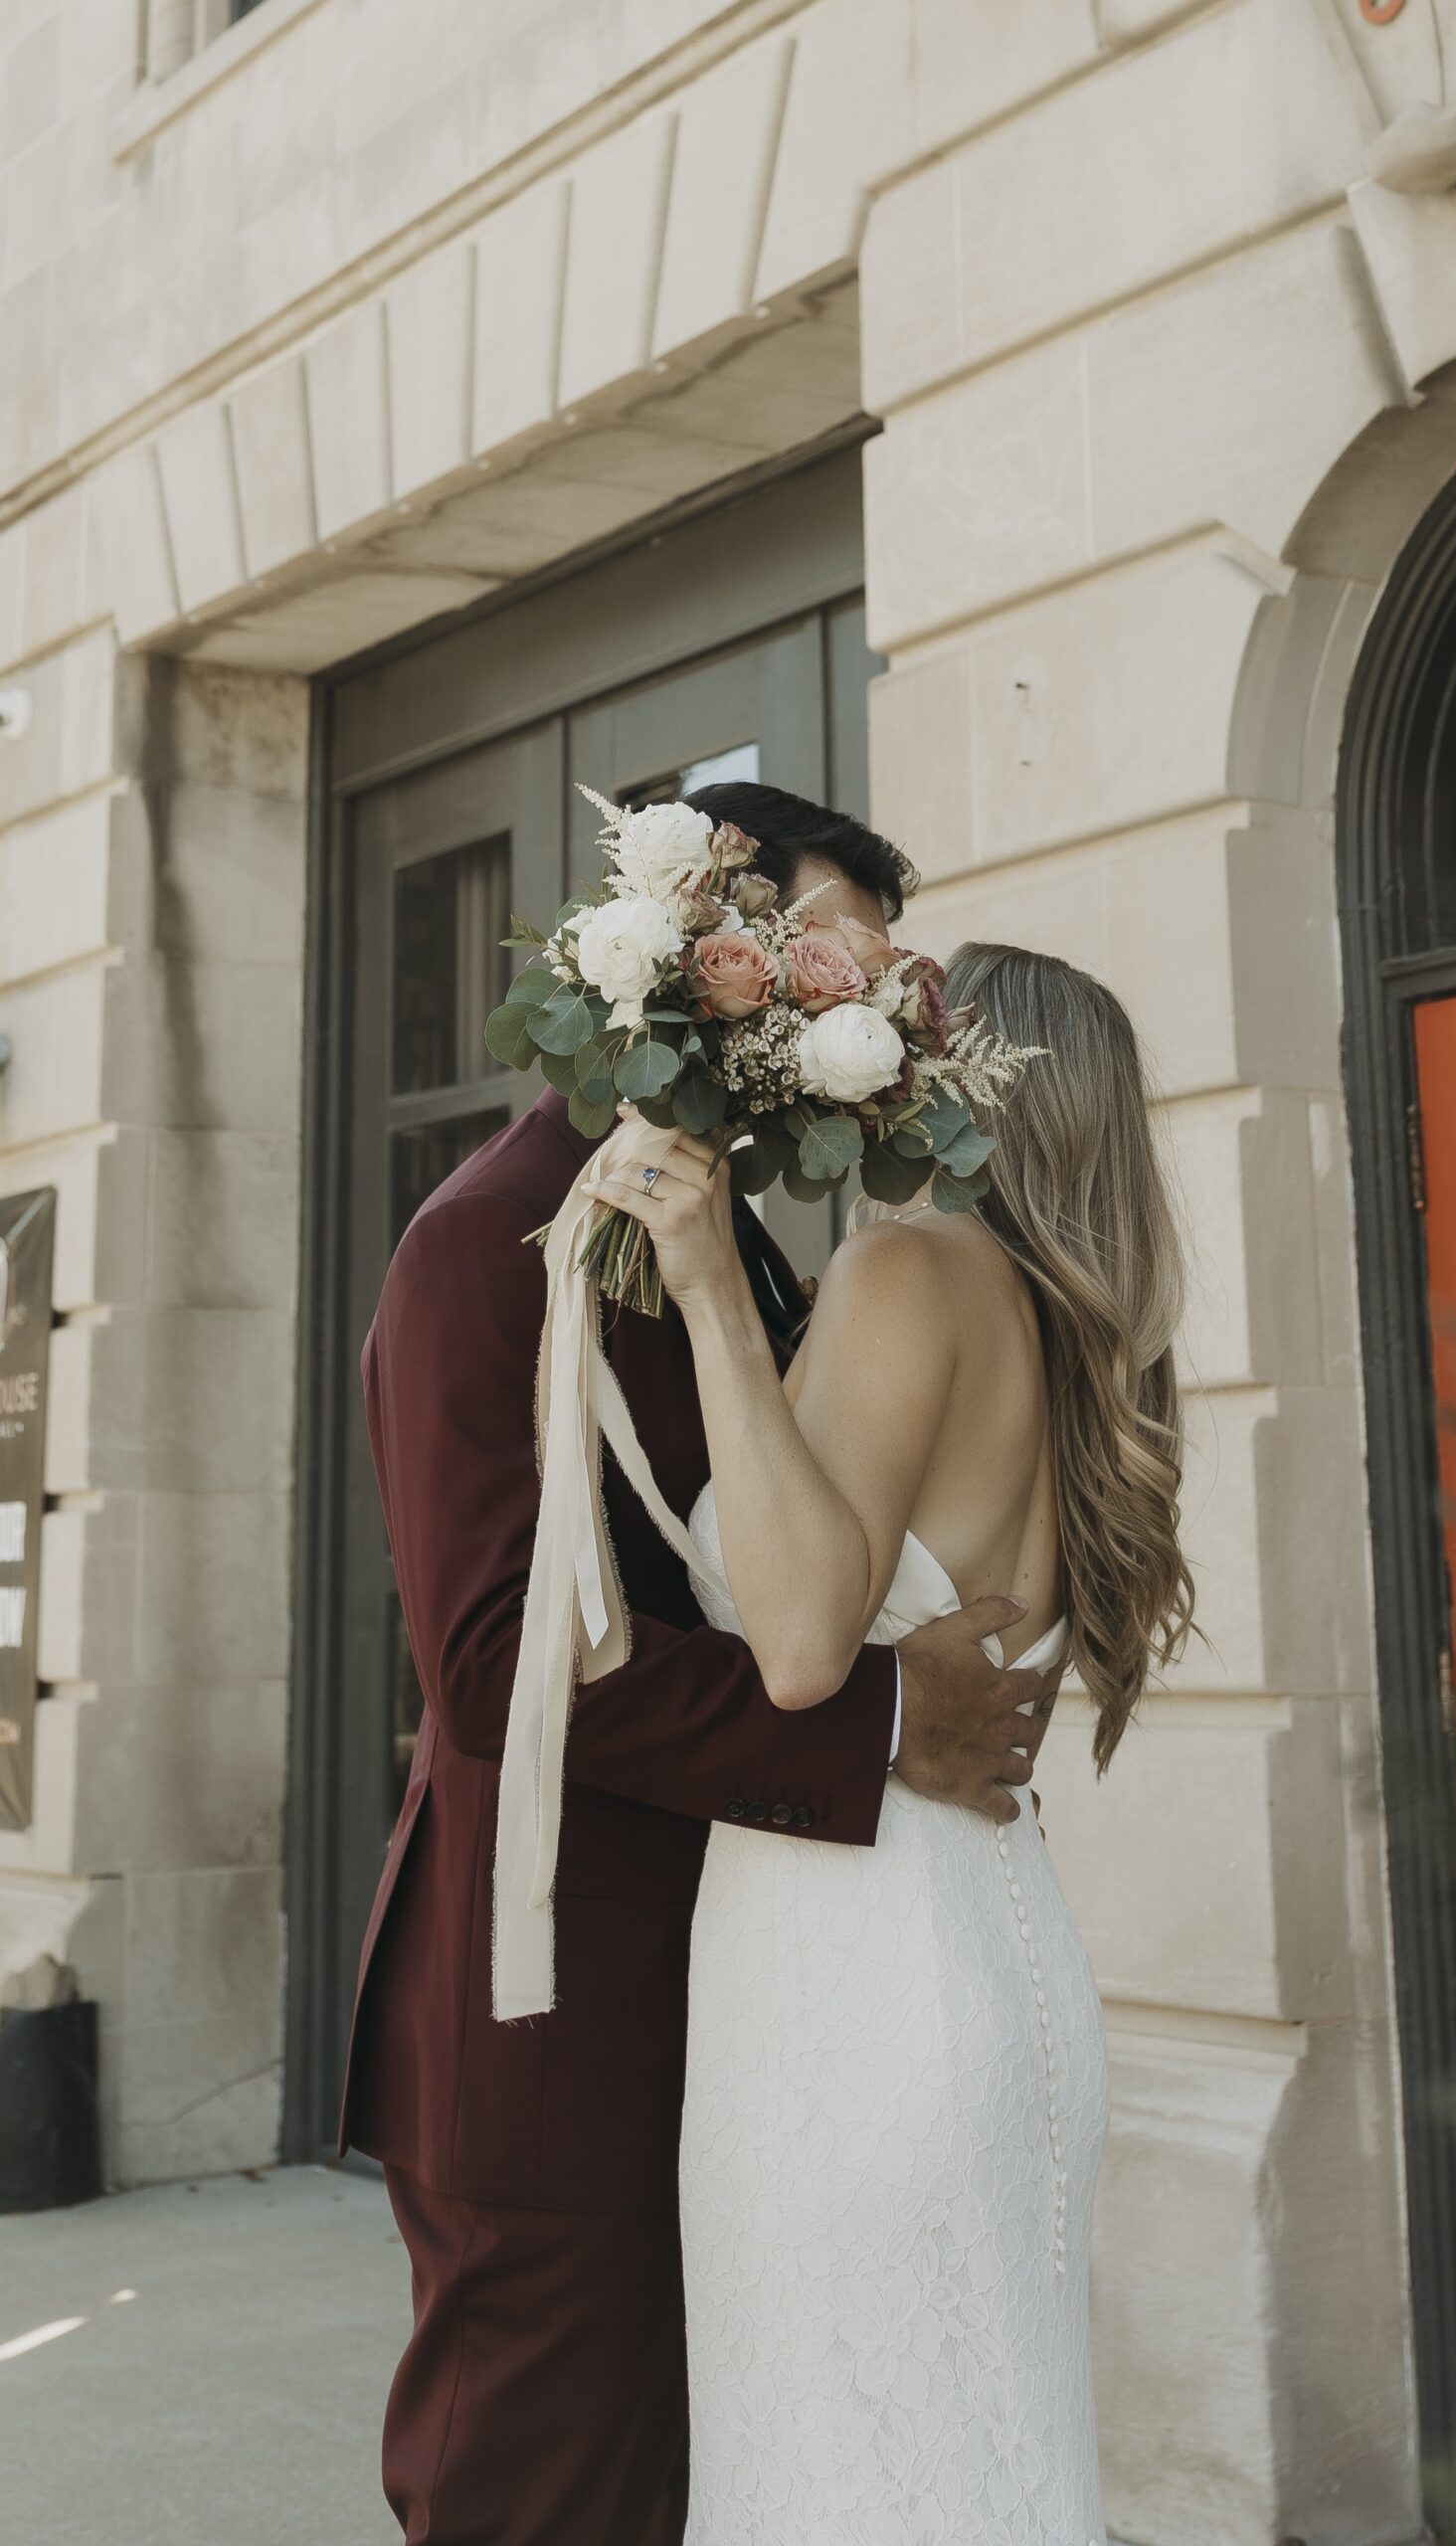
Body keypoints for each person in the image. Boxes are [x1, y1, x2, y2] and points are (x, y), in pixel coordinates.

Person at [340, 789, 1064, 2546]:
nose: (866, 1021)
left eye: (875, 987)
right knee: (552, 2491)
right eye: (831, 973)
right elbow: (498, 1655)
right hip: (554, 1997)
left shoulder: (744, 1245)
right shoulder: (477, 1248)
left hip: (747, 1985)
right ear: (691, 969)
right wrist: (885, 1722)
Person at [594, 940, 1193, 2543]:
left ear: (962, 1085)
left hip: (851, 1985)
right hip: (987, 1962)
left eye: (909, 1042)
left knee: (847, 2481)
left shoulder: (909, 1272)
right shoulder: (1076, 1344)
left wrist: (716, 1282)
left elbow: (797, 1647)